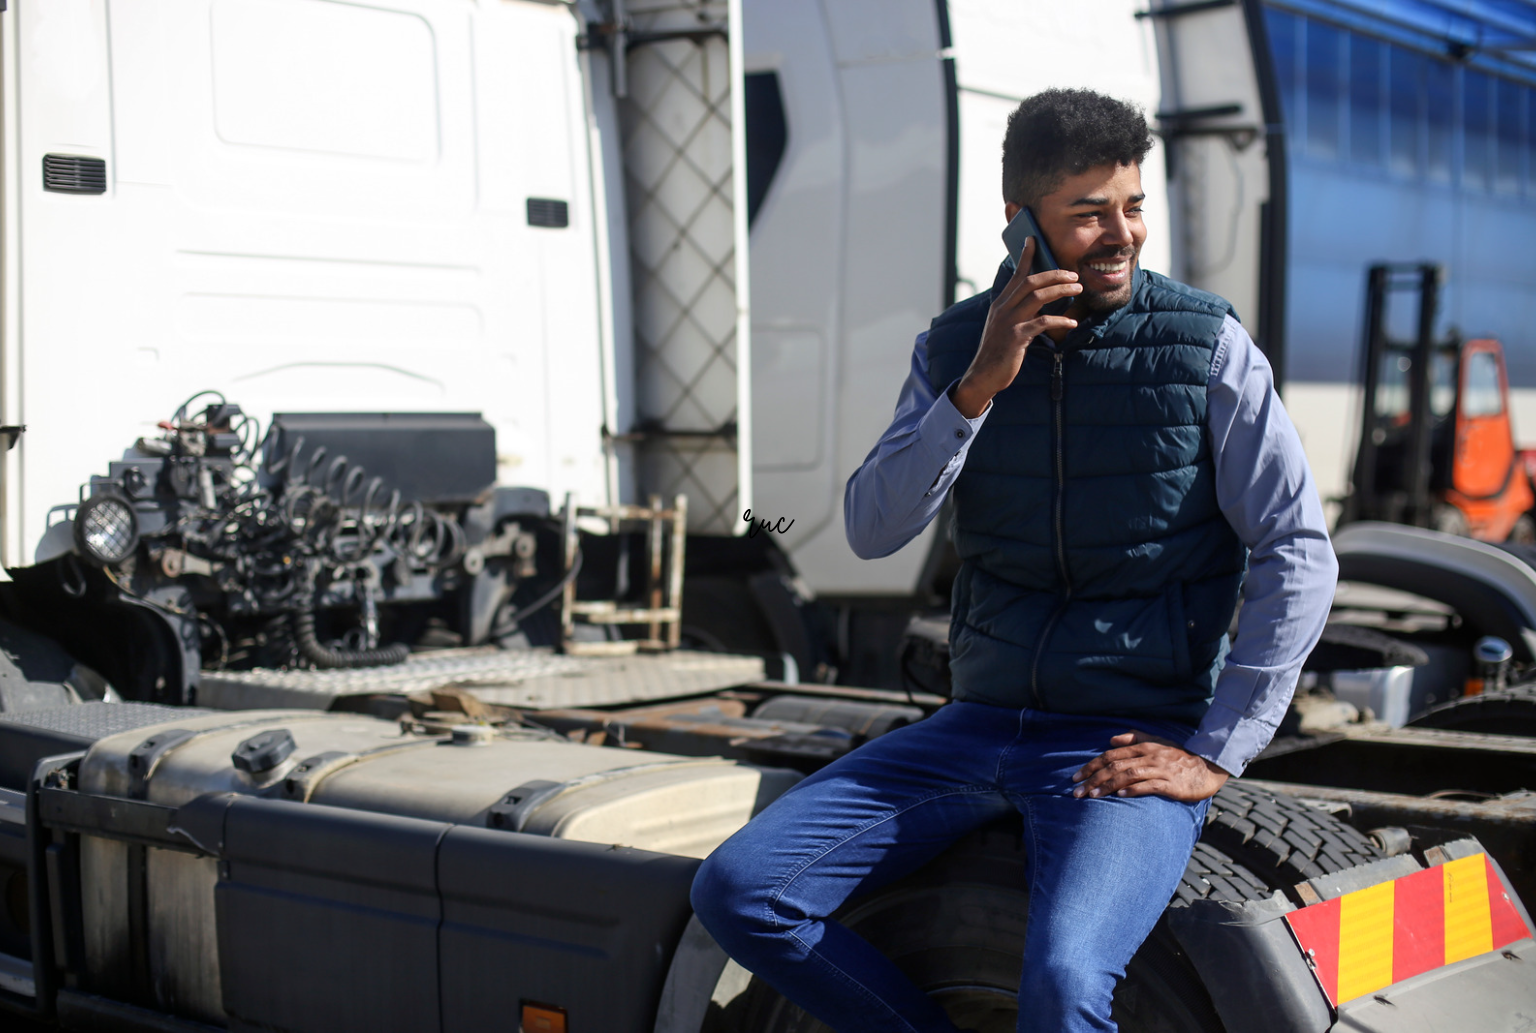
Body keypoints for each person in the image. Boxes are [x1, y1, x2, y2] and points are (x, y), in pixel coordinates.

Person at [690, 88, 1336, 1032]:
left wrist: (1215, 750)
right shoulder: (953, 347)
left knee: (1065, 982)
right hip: (975, 725)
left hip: (1122, 736)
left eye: (1133, 205)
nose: (1121, 233)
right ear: (1020, 220)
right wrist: (979, 384)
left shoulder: (1207, 348)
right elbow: (872, 527)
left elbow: (1297, 548)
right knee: (738, 889)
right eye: (1088, 213)